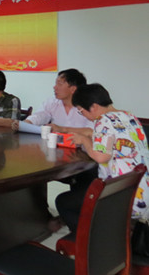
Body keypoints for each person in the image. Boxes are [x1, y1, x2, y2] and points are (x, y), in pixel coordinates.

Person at [55, 83, 149, 231]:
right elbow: (112, 139)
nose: (83, 115)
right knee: (86, 184)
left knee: (63, 201)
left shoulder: (103, 120)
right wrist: (87, 135)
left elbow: (101, 157)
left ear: (93, 107)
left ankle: (92, 238)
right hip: (142, 190)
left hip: (122, 196)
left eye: (81, 111)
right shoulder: (129, 116)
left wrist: (84, 141)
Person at [19, 68, 91, 134]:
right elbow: (39, 116)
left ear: (73, 89)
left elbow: (92, 131)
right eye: (56, 83)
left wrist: (62, 129)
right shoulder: (52, 102)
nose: (54, 87)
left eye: (59, 84)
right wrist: (24, 124)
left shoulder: (88, 106)